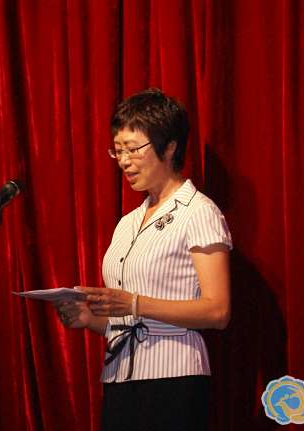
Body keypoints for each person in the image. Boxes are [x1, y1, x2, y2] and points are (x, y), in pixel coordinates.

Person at [55, 88, 232, 431]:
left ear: (169, 147)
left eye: (133, 149)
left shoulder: (199, 211)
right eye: (118, 150)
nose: (123, 161)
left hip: (174, 380)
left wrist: (134, 302)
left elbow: (218, 311)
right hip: (120, 376)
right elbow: (126, 320)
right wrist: (89, 319)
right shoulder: (128, 222)